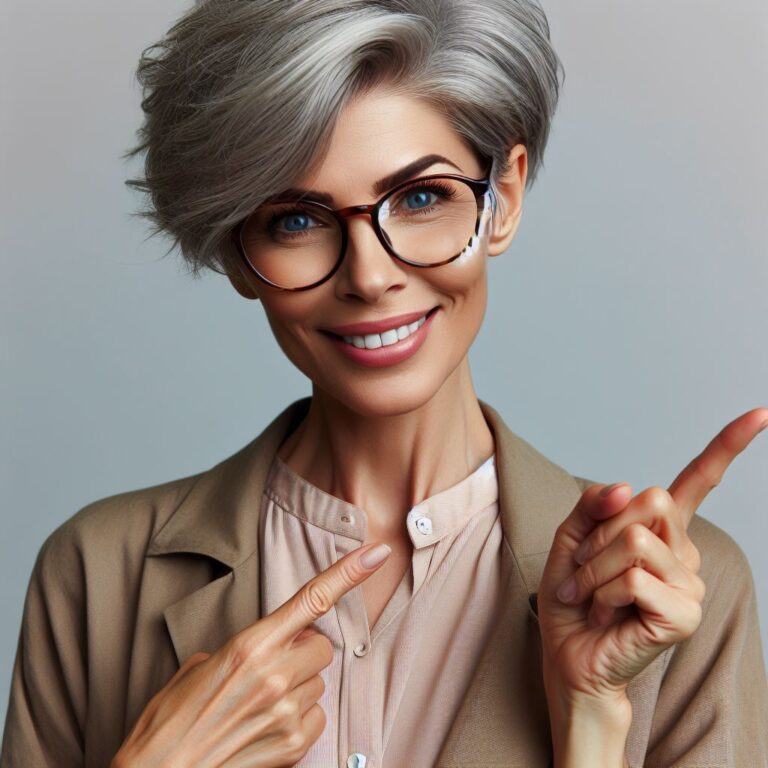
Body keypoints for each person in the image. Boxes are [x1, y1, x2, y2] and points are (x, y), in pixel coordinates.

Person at [2, 1, 767, 766]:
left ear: (503, 199)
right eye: (295, 220)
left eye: (423, 198)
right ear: (238, 255)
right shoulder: (96, 574)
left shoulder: (671, 589)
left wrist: (594, 725)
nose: (370, 277)